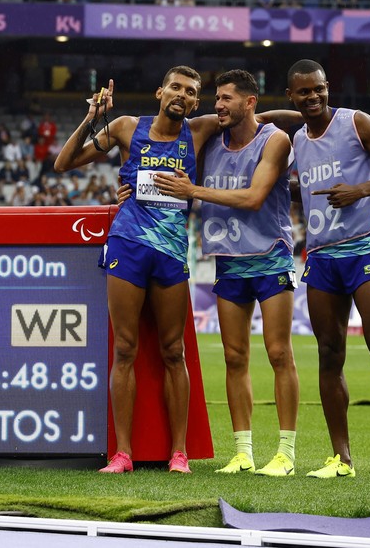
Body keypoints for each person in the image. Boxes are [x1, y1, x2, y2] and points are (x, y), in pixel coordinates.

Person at [55, 68, 215, 474]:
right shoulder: (127, 127)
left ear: (196, 102)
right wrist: (93, 117)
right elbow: (64, 163)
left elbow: (258, 116)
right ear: (160, 91)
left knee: (173, 352)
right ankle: (122, 454)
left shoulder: (197, 133)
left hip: (172, 252)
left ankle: (178, 453)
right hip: (127, 246)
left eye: (191, 92)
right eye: (175, 87)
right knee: (125, 349)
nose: (181, 95)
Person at [151, 70, 300, 478]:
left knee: (278, 353)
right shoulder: (210, 144)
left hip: (271, 256)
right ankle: (243, 452)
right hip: (228, 261)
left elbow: (253, 198)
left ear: (250, 103)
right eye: (216, 98)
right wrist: (133, 188)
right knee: (234, 358)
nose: (217, 105)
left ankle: (285, 453)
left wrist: (194, 192)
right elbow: (165, 168)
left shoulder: (275, 140)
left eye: (227, 98)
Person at [285, 59, 370, 481]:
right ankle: (341, 459)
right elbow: (306, 187)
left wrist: (360, 190)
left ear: (328, 87)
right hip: (321, 254)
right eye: (304, 91)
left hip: (364, 247)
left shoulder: (356, 122)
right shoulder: (297, 141)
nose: (313, 96)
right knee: (328, 353)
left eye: (319, 88)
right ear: (292, 96)